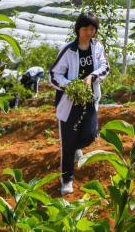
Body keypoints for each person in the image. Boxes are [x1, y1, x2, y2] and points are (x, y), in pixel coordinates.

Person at [50, 12, 110, 195]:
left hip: (90, 99)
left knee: (90, 135)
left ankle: (77, 147)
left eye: (92, 29)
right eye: (85, 29)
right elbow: (54, 75)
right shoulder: (69, 50)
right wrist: (71, 85)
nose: (88, 33)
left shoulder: (97, 47)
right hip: (69, 103)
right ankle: (66, 179)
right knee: (67, 143)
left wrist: (92, 77)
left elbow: (105, 66)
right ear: (78, 29)